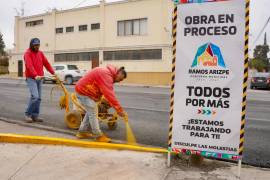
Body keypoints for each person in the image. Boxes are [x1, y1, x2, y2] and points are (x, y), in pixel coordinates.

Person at [75, 65, 128, 143]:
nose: (119, 81)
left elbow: (104, 90)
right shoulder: (106, 75)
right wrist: (119, 110)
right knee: (93, 112)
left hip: (86, 91)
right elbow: (109, 94)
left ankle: (82, 132)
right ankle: (98, 136)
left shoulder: (108, 73)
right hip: (83, 92)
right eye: (120, 79)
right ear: (118, 73)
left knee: (91, 112)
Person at [24, 38, 55, 123]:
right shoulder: (27, 53)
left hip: (39, 78)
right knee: (35, 97)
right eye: (35, 45)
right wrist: (35, 75)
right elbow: (29, 66)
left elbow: (46, 63)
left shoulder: (40, 53)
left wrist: (53, 73)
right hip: (31, 78)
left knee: (39, 98)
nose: (37, 47)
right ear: (31, 45)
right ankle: (27, 114)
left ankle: (35, 116)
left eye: (38, 45)